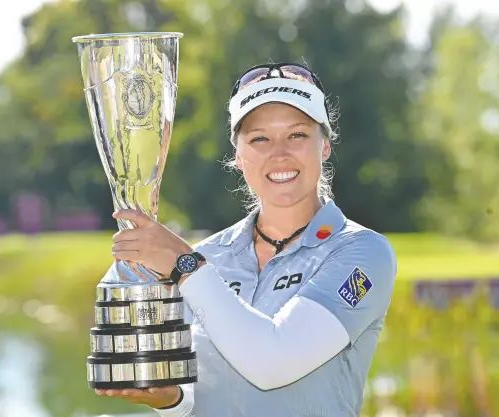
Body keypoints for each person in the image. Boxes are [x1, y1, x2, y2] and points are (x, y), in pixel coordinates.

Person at [97, 63, 397, 417]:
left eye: (297, 135)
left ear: (325, 146)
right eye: (259, 139)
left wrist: (185, 265)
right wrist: (169, 398)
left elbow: (274, 363)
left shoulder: (362, 252)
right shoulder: (207, 256)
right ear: (238, 157)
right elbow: (196, 396)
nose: (279, 153)